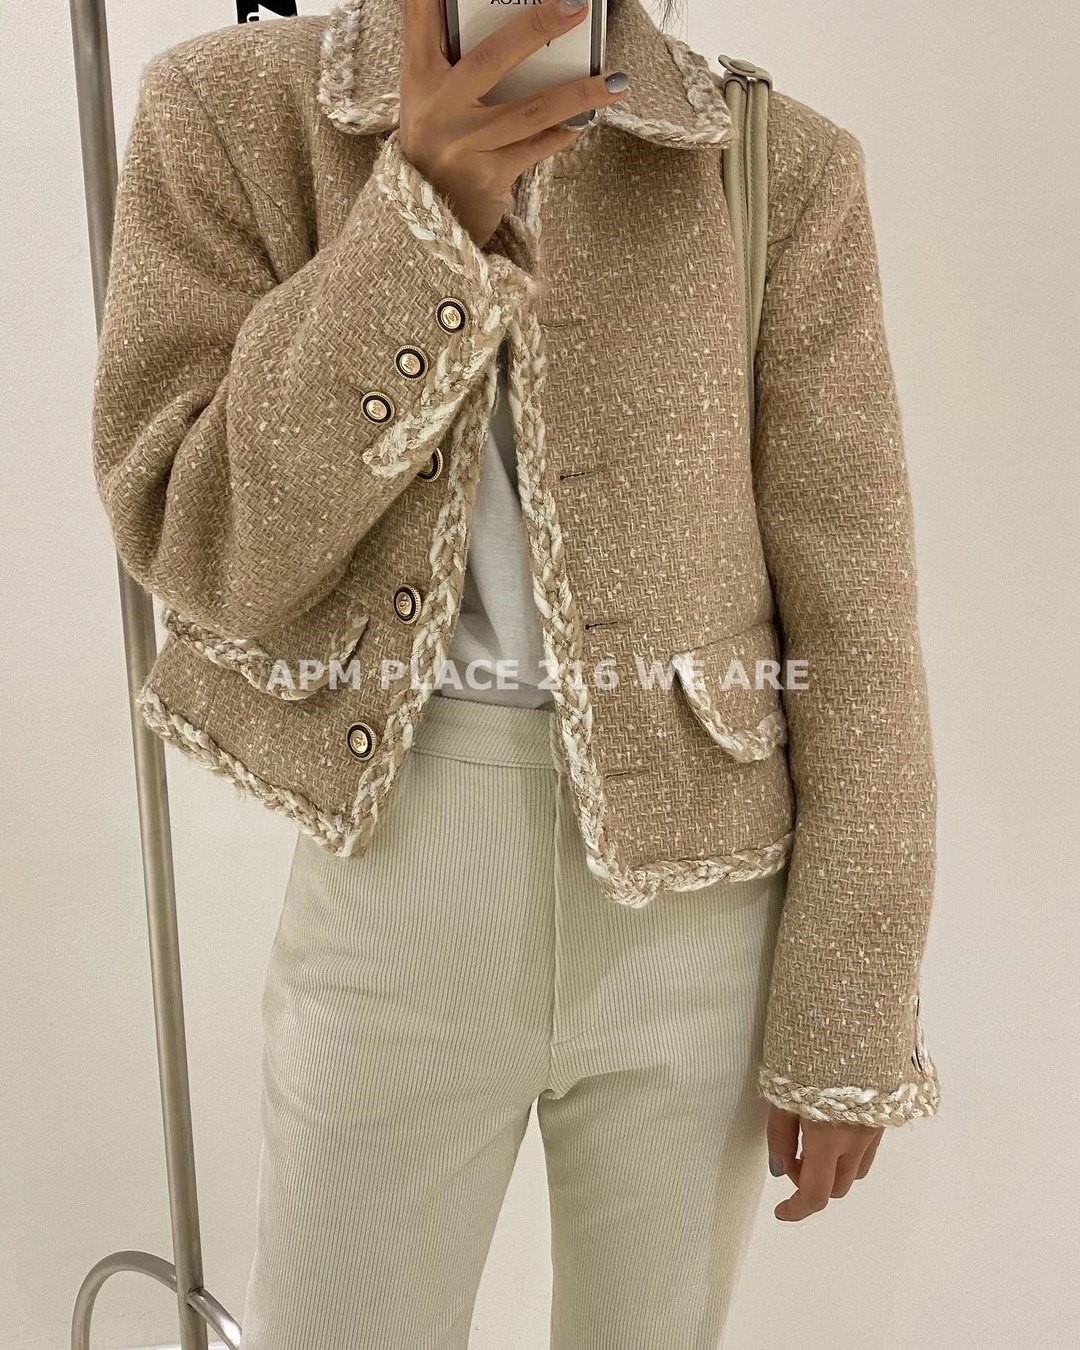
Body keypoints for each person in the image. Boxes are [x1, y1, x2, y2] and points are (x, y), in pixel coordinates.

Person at [90, 0, 941, 1344]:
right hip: (398, 875)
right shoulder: (231, 112)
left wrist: (853, 1008)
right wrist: (419, 215)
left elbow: (859, 623)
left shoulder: (776, 162)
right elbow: (200, 542)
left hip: (704, 914)